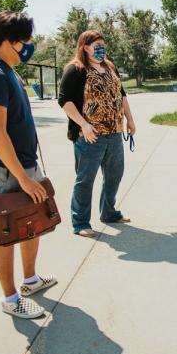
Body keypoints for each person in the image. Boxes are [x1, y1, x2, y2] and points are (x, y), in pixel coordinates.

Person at [0, 11, 56, 319]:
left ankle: (30, 280)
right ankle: (10, 299)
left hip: (21, 164)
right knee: (6, 230)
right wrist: (22, 178)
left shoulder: (7, 69)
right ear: (10, 42)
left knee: (31, 221)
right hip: (8, 170)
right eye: (26, 41)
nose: (30, 46)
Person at [58, 30, 136, 237]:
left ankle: (109, 213)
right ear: (85, 47)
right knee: (85, 180)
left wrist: (130, 119)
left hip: (114, 133)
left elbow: (121, 94)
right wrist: (83, 125)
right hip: (90, 136)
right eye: (96, 45)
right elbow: (64, 101)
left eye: (103, 44)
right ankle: (80, 223)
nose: (101, 48)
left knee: (114, 176)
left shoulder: (109, 67)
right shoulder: (75, 69)